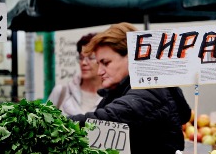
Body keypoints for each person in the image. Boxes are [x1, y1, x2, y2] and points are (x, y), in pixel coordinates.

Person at [69, 22, 192, 154]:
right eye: (98, 64)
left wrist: (60, 124)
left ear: (131, 57)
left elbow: (111, 119)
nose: (99, 71)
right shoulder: (119, 90)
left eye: (106, 63)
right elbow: (107, 140)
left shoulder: (151, 89)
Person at [48, 33, 103, 116]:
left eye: (91, 57)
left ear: (103, 60)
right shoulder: (61, 92)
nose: (83, 62)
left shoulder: (113, 97)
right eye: (81, 57)